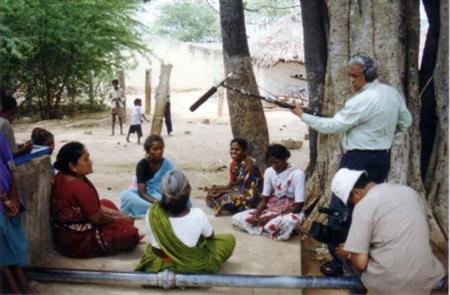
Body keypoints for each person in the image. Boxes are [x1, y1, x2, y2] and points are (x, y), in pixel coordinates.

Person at [291, 53, 413, 275]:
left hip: (357, 160)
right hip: (381, 159)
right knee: (368, 208)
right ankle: (364, 257)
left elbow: (333, 127)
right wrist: (381, 134)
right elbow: (406, 121)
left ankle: (340, 263)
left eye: (354, 77)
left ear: (365, 76)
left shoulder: (362, 100)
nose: (352, 81)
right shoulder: (391, 94)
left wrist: (303, 116)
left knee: (341, 212)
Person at [330, 168, 446, 294]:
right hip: (426, 278)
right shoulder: (409, 192)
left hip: (392, 284)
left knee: (348, 258)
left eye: (351, 202)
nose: (353, 205)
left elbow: (361, 263)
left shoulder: (364, 205)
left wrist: (348, 254)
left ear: (356, 193)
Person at [51, 141, 140, 258]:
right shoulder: (78, 186)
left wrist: (119, 215)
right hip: (77, 240)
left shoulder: (62, 176)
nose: (91, 162)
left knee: (106, 203)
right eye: (86, 159)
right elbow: (97, 219)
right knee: (130, 234)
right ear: (72, 166)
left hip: (64, 233)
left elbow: (95, 206)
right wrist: (120, 219)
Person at [136, 170, 235, 273]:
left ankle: (164, 272)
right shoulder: (198, 214)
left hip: (160, 264)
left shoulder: (152, 212)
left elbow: (155, 247)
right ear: (188, 192)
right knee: (228, 239)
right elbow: (210, 237)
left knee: (151, 246)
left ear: (162, 192)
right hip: (191, 265)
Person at [232, 144, 305, 241]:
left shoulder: (297, 174)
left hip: (290, 210)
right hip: (271, 208)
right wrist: (256, 216)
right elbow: (264, 199)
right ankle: (268, 229)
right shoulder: (269, 172)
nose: (274, 166)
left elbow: (298, 206)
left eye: (277, 162)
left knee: (288, 222)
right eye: (271, 163)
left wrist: (273, 217)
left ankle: (266, 227)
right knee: (237, 218)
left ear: (285, 159)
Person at [0, 133, 32, 293]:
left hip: (9, 199)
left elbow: (10, 165)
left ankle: (23, 288)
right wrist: (6, 198)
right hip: (5, 201)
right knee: (5, 250)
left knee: (14, 245)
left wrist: (12, 196)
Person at [205, 137, 263, 216]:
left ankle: (233, 208)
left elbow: (247, 191)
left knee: (228, 199)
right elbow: (232, 184)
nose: (233, 152)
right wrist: (219, 190)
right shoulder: (233, 164)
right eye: (232, 149)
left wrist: (224, 192)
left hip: (250, 196)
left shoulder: (250, 166)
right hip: (237, 191)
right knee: (211, 193)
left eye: (237, 150)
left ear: (244, 151)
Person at [120, 135, 173, 218]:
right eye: (155, 149)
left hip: (163, 194)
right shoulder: (142, 165)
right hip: (147, 195)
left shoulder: (167, 164)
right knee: (126, 196)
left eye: (161, 148)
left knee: (184, 201)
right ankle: (160, 209)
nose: (159, 152)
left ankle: (160, 209)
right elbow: (142, 192)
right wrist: (158, 203)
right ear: (148, 151)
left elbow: (172, 186)